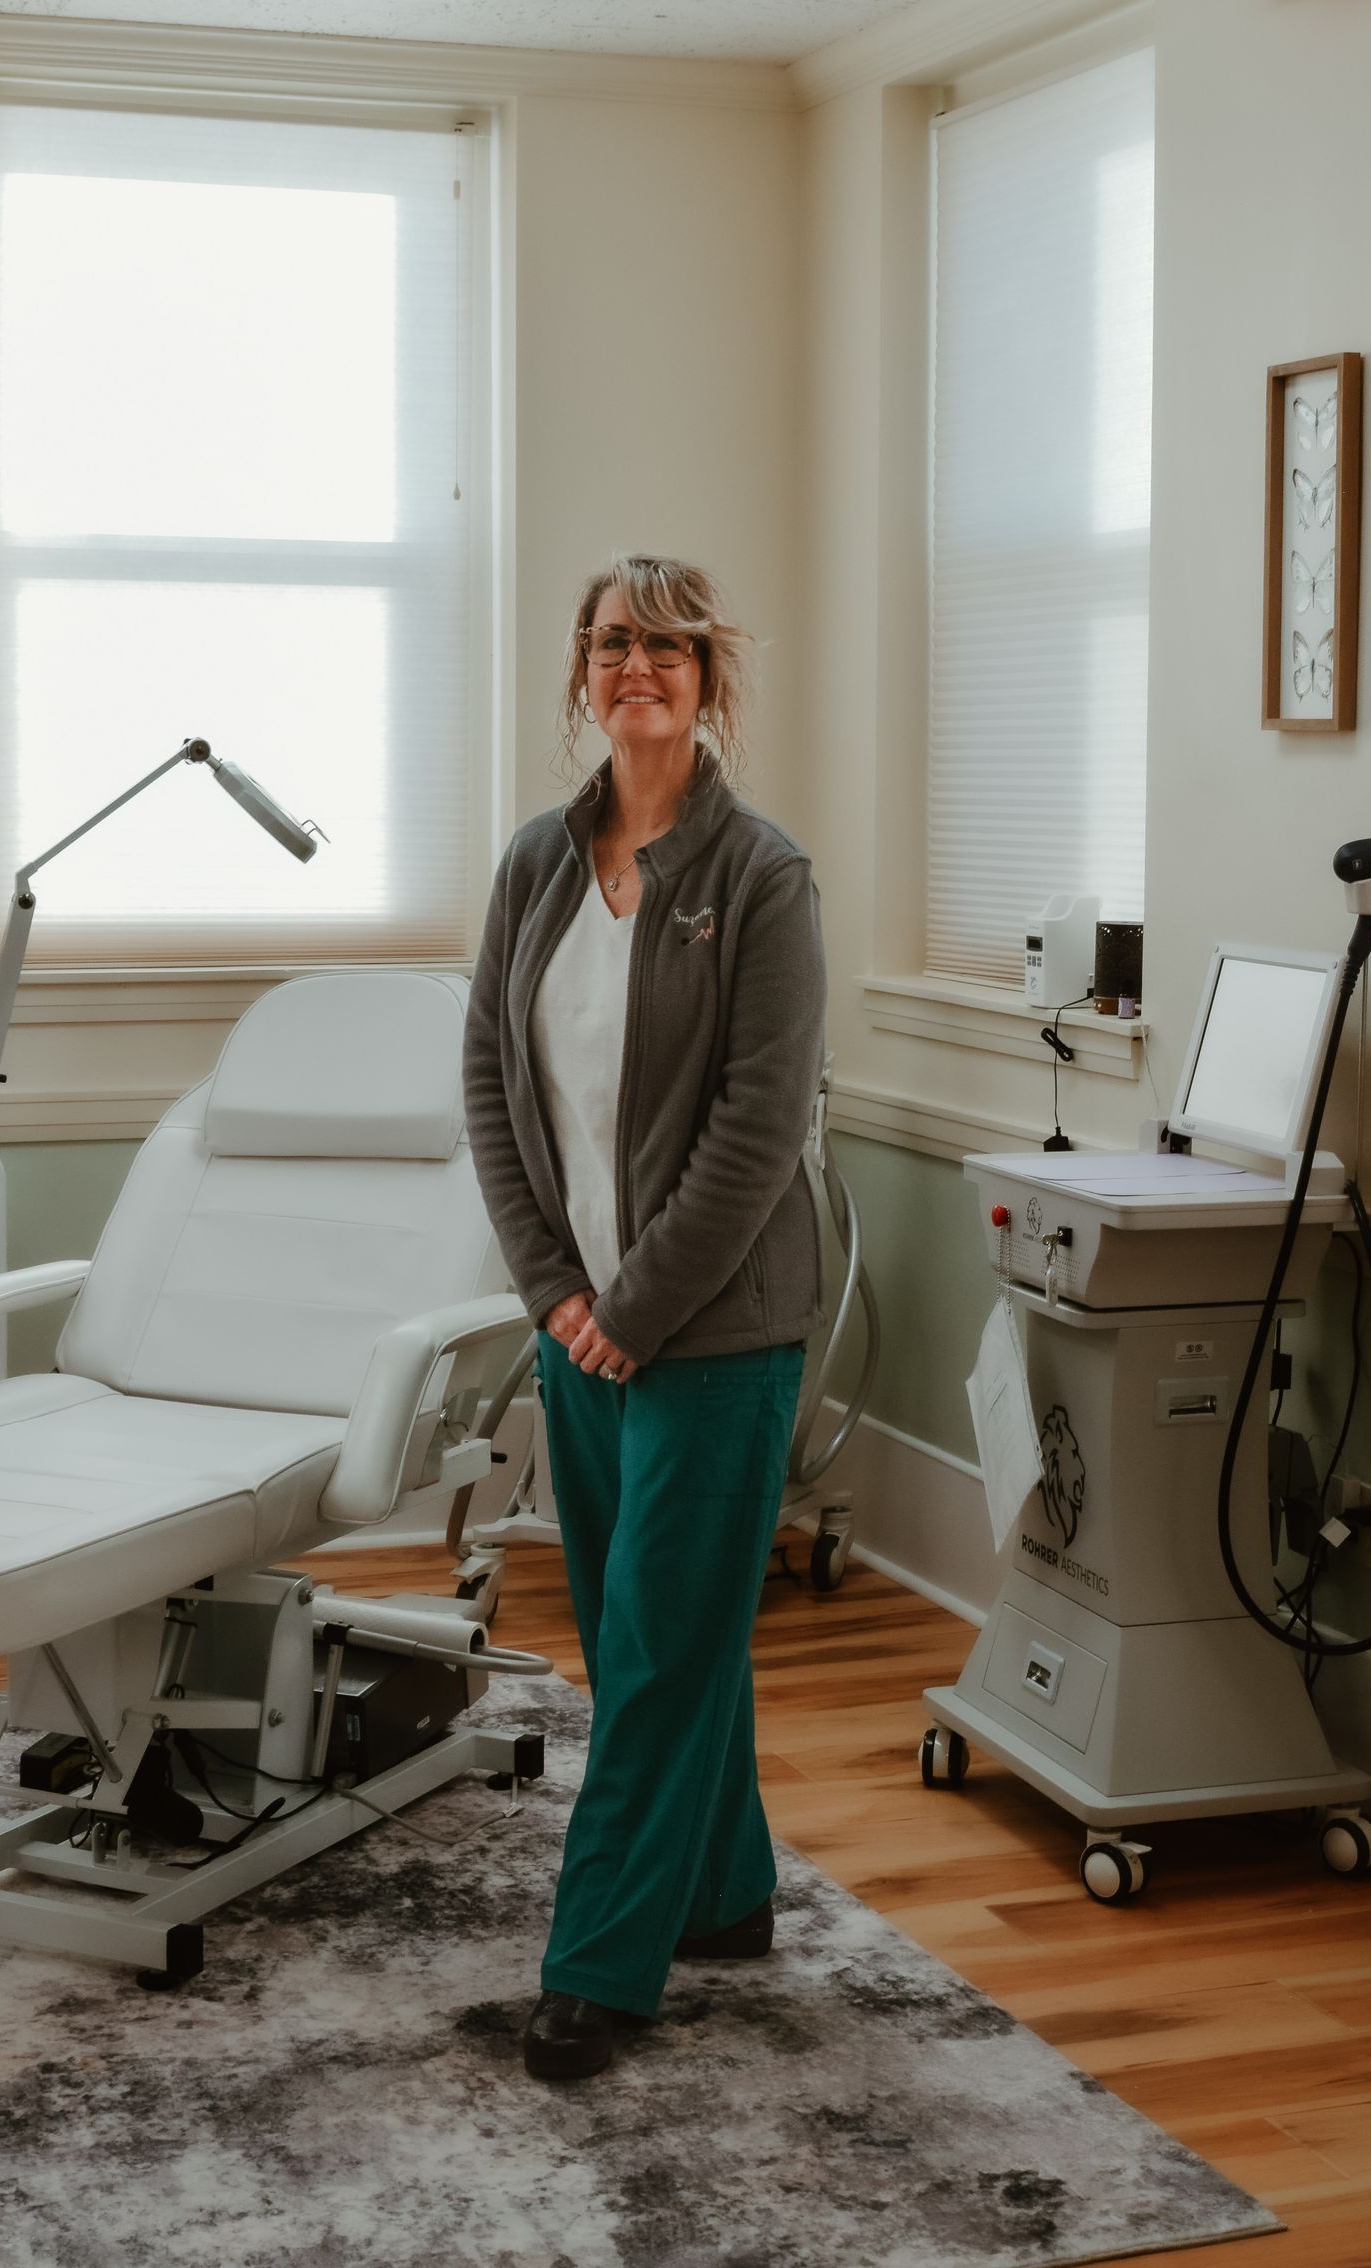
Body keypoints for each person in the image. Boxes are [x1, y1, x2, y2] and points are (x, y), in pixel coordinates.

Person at [462, 553, 827, 2081]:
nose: (639, 667)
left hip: (717, 1332)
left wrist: (636, 1305)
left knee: (661, 1643)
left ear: (708, 677)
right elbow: (491, 1079)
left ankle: (599, 1968)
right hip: (582, 1327)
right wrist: (556, 1288)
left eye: (669, 646)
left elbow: (760, 1124)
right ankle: (727, 1894)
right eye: (614, 643)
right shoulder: (540, 863)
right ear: (582, 673)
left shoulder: (762, 877)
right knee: (648, 1639)